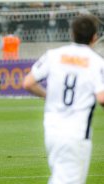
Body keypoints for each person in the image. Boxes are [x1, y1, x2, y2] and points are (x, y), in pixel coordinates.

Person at [23, 14, 104, 184]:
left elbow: (28, 83)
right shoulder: (97, 63)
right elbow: (102, 98)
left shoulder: (53, 55)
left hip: (52, 130)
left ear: (72, 34)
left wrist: (48, 96)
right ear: (94, 37)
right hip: (76, 133)